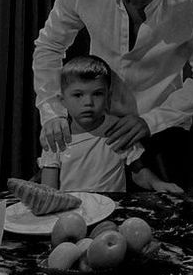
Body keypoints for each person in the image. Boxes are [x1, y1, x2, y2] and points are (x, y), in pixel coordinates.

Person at [33, 0, 193, 188]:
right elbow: (50, 45)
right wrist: (52, 111)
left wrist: (153, 120)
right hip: (99, 124)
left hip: (164, 127)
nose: (136, 7)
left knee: (169, 212)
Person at [39, 56, 183, 194]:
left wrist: (157, 183)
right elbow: (48, 191)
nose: (88, 102)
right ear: (62, 101)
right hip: (72, 214)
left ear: (108, 97)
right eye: (78, 95)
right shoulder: (56, 138)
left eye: (97, 94)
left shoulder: (119, 131)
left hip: (112, 211)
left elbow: (138, 172)